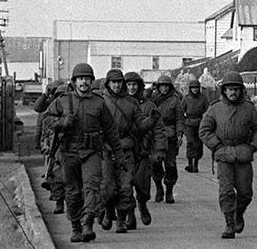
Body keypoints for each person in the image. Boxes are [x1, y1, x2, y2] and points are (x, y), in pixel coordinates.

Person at [42, 63, 123, 243]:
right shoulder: (63, 100)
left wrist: (120, 155)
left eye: (87, 78)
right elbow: (46, 118)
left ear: (91, 81)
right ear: (74, 81)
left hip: (91, 152)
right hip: (69, 152)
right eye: (80, 79)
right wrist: (62, 122)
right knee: (73, 192)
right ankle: (76, 226)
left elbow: (111, 131)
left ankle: (88, 223)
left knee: (93, 187)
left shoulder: (99, 103)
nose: (84, 82)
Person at [200, 71, 257, 239]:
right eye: (229, 89)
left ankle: (239, 213)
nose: (233, 92)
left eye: (236, 89)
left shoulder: (248, 109)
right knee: (226, 191)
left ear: (241, 90)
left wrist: (252, 147)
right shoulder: (215, 108)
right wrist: (217, 146)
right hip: (224, 155)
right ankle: (229, 224)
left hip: (243, 154)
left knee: (245, 193)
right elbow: (204, 130)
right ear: (224, 90)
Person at [99, 68, 145, 234]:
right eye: (114, 82)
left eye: (119, 82)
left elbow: (140, 125)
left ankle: (120, 220)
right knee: (108, 188)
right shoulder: (101, 101)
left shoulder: (131, 103)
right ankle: (108, 211)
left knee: (126, 187)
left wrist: (151, 121)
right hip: (107, 149)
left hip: (126, 148)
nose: (117, 85)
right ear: (108, 83)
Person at [125, 72, 165, 228]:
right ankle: (129, 215)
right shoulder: (120, 104)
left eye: (135, 84)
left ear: (140, 86)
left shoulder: (149, 106)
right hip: (125, 152)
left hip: (143, 151)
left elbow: (159, 129)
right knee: (125, 187)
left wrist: (160, 150)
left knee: (143, 187)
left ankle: (142, 204)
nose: (132, 88)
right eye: (128, 84)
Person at [36, 80, 67, 214]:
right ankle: (59, 202)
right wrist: (44, 145)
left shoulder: (70, 112)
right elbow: (44, 132)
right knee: (56, 179)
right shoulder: (50, 113)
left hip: (69, 149)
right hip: (55, 150)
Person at [153, 74, 183, 204]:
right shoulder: (153, 99)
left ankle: (169, 189)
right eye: (161, 86)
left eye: (166, 86)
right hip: (155, 135)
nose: (164, 89)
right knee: (155, 163)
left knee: (170, 164)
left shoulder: (175, 100)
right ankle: (159, 186)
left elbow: (179, 118)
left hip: (170, 135)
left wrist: (180, 133)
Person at [181, 79, 210, 173]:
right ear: (190, 88)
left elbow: (208, 110)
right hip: (188, 123)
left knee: (198, 144)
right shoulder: (186, 98)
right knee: (190, 143)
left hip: (199, 122)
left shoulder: (203, 98)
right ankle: (190, 163)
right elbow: (181, 111)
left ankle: (195, 164)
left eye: (197, 88)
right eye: (193, 88)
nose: (195, 90)